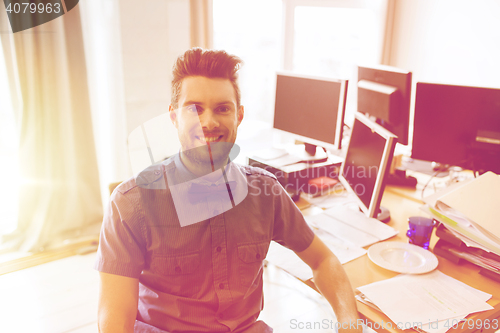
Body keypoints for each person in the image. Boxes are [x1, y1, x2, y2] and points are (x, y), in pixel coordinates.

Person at [95, 48, 362, 333]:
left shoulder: (266, 193)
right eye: (194, 108)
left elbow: (323, 260)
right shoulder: (130, 204)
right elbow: (115, 321)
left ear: (239, 115)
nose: (208, 122)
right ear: (173, 117)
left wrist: (349, 322)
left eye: (222, 108)